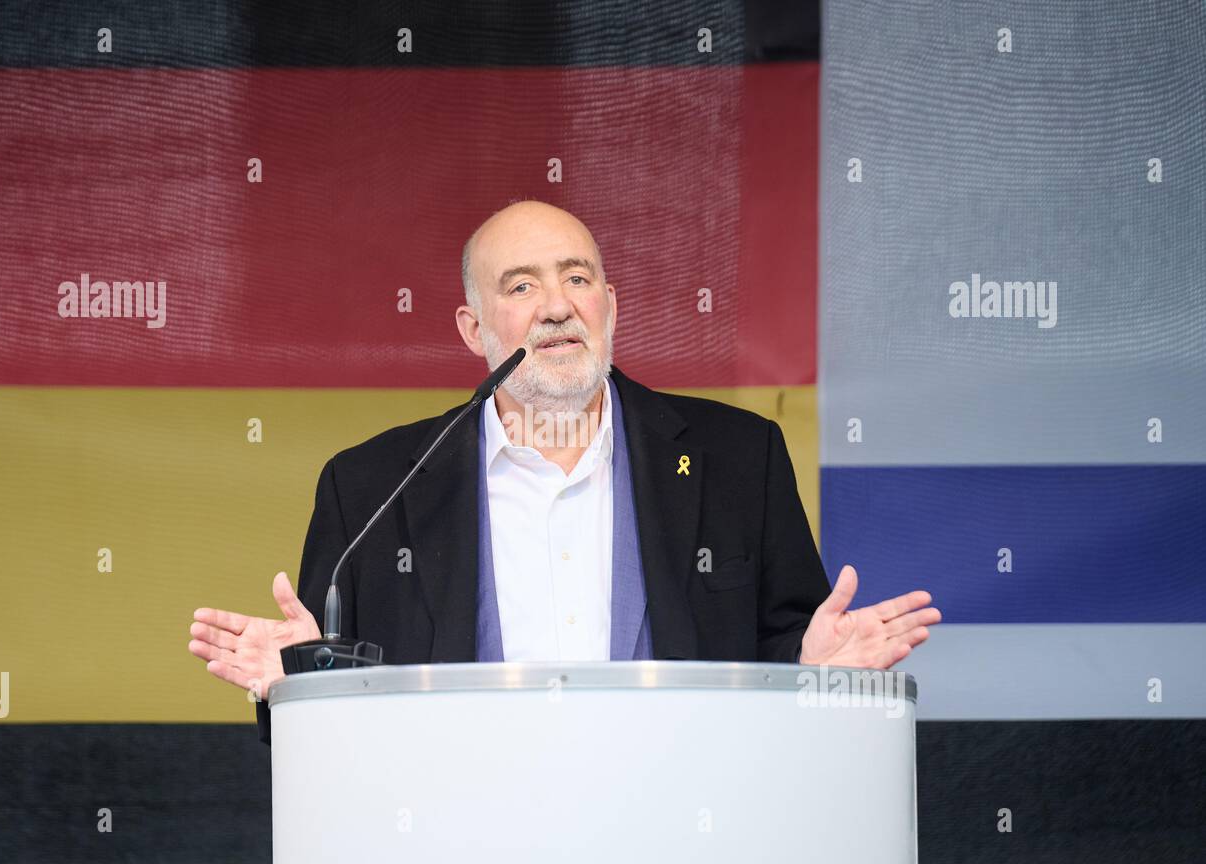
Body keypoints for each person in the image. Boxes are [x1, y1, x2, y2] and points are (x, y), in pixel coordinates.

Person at [188, 200, 940, 743]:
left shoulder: (739, 457)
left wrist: (811, 671)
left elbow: (785, 651)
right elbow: (338, 702)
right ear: (473, 326)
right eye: (520, 287)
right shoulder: (374, 487)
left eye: (577, 279)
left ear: (609, 305)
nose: (556, 308)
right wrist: (301, 686)